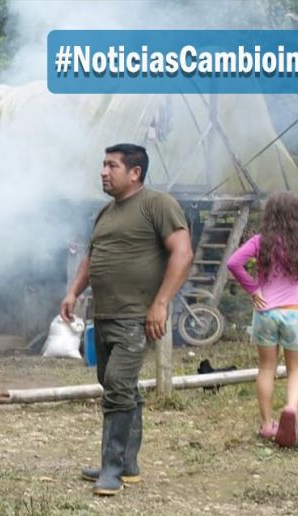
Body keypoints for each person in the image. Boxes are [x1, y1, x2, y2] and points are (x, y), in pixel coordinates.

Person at [60, 143, 193, 496]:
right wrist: (73, 291)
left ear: (135, 172)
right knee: (114, 382)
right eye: (103, 165)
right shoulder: (105, 213)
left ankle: (112, 469)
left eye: (112, 166)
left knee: (118, 382)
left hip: (137, 317)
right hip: (104, 314)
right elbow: (92, 256)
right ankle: (129, 463)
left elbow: (182, 251)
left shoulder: (157, 204)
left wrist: (161, 303)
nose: (103, 171)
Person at [226, 192, 298, 448]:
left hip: (265, 312)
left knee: (266, 368)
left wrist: (254, 290)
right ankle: (291, 409)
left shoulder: (259, 242)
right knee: (297, 369)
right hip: (296, 311)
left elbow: (234, 263)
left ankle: (267, 425)